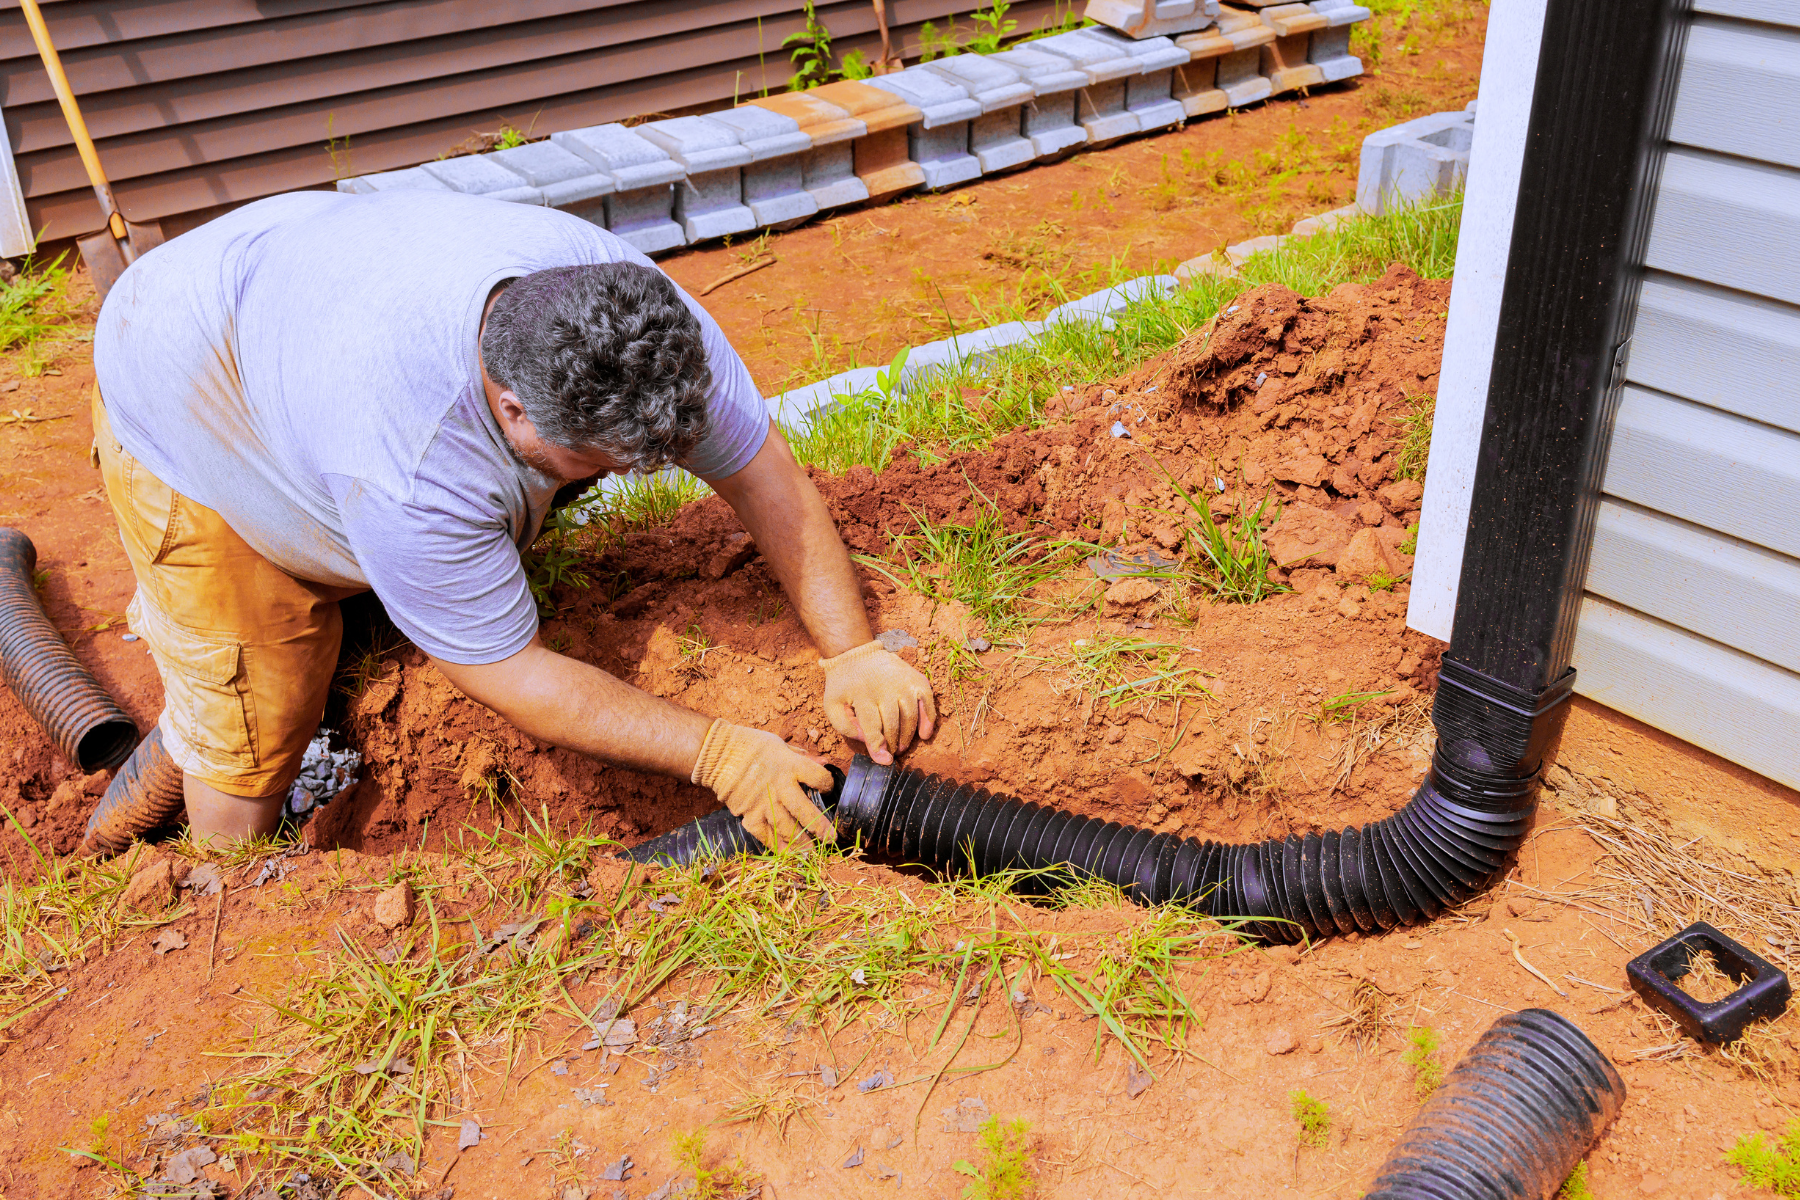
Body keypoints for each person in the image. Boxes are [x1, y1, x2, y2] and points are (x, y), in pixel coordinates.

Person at [81, 189, 935, 855]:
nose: (623, 479)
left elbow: (763, 472)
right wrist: (723, 755)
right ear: (514, 408)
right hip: (184, 379)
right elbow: (509, 672)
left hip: (294, 279)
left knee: (414, 577)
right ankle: (214, 899)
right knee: (259, 702)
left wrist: (850, 649)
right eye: (600, 462)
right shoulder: (409, 464)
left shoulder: (633, 317)